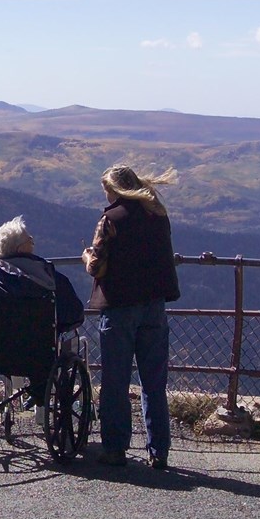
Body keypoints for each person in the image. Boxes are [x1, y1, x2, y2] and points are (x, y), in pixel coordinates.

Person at [83, 164, 180, 468]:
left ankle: (115, 449)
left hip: (120, 307)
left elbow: (96, 267)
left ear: (113, 189)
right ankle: (159, 451)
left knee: (116, 381)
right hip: (154, 305)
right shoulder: (157, 214)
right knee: (154, 382)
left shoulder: (110, 220)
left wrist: (86, 255)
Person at [0, 215, 85, 408]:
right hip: (38, 354)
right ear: (21, 248)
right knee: (57, 341)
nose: (33, 240)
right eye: (29, 239)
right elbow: (74, 313)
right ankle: (41, 393)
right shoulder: (48, 276)